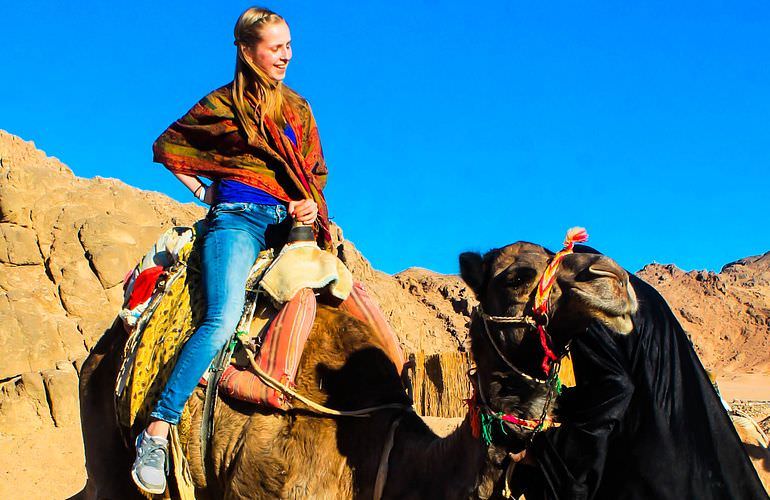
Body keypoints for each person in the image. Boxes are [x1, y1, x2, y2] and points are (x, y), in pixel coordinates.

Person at [131, 7, 331, 494]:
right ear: (247, 50)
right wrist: (203, 192)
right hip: (237, 220)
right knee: (223, 316)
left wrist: (308, 205)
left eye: (289, 45)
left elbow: (314, 174)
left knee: (343, 300)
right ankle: (158, 428)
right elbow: (168, 144)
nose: (286, 54)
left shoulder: (299, 109)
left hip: (290, 226)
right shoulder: (222, 105)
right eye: (276, 46)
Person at [515, 246, 768, 499]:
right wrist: (557, 403)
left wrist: (544, 450)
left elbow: (613, 388)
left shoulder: (585, 303)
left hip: (652, 474)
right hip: (691, 459)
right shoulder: (639, 294)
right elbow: (626, 381)